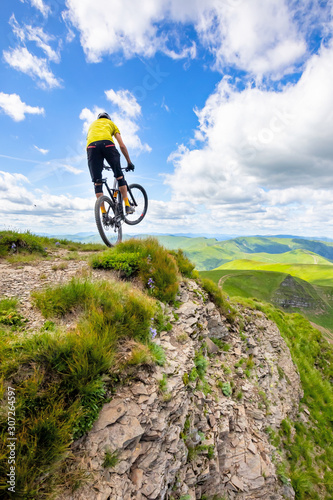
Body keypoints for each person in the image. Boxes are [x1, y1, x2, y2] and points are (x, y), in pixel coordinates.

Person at [86, 112, 135, 215]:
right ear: (108, 118)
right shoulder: (111, 124)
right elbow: (122, 145)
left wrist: (100, 162)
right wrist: (129, 162)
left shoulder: (92, 126)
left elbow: (91, 146)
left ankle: (104, 214)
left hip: (91, 149)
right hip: (107, 145)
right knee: (119, 176)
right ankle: (127, 205)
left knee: (97, 182)